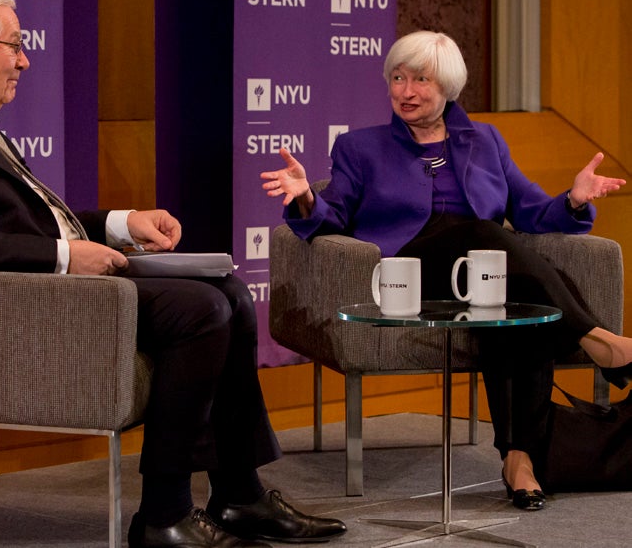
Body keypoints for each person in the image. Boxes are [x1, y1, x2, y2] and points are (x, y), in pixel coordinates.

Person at [0, 0, 347, 548]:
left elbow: (30, 219)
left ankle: (240, 495)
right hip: (22, 302)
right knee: (201, 310)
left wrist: (123, 222)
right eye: (15, 47)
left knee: (232, 292)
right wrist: (69, 256)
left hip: (55, 285)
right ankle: (163, 515)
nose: (25, 60)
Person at [261, 30, 628, 512]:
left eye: (420, 80)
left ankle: (519, 462)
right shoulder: (359, 148)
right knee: (486, 238)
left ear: (448, 87)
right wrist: (307, 196)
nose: (405, 91)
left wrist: (575, 199)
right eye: (397, 78)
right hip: (411, 274)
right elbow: (335, 217)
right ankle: (602, 341)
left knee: (519, 306)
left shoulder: (485, 141)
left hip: (478, 275)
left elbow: (532, 211)